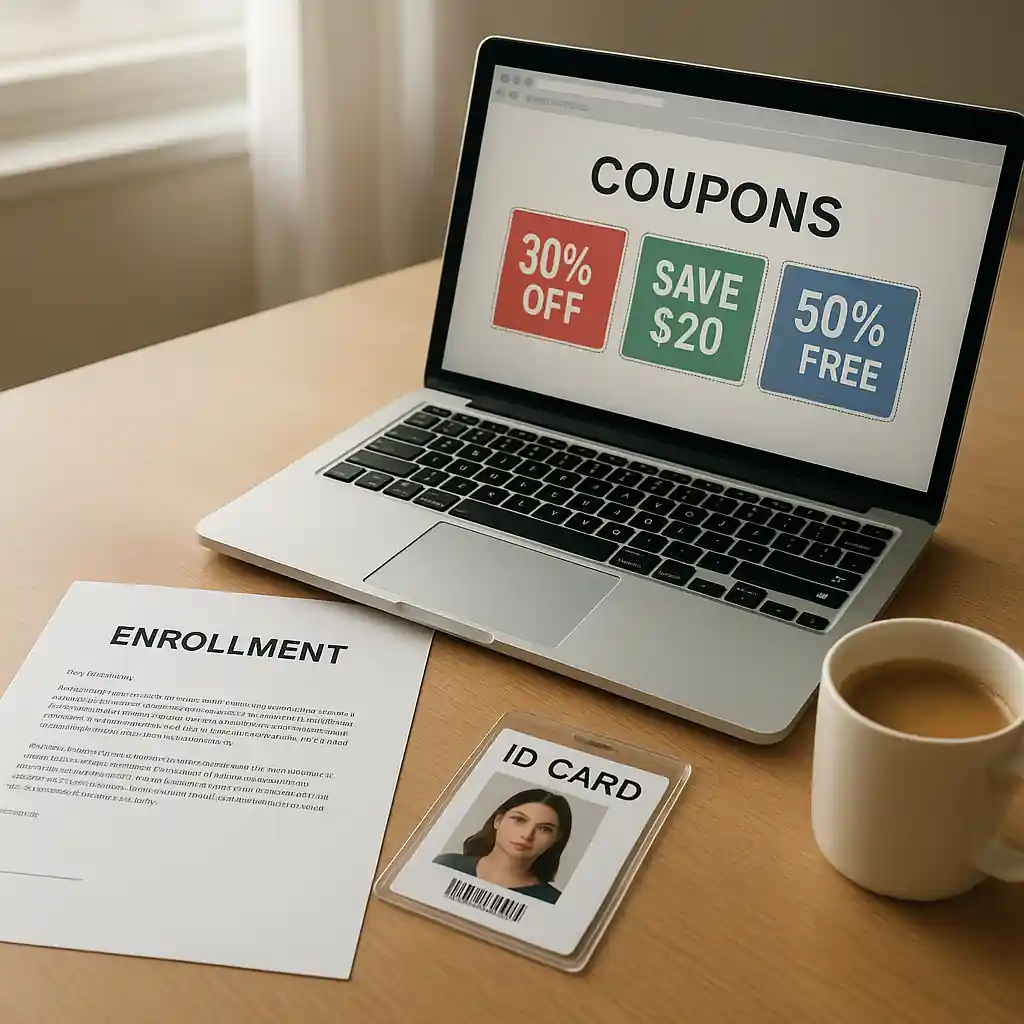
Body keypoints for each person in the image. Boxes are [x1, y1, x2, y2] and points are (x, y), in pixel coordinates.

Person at [434, 788, 573, 904]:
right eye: (519, 820)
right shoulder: (446, 864)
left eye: (544, 829)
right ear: (498, 821)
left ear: (556, 838)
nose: (527, 835)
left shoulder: (554, 902)